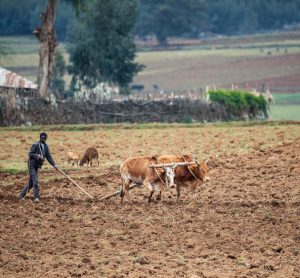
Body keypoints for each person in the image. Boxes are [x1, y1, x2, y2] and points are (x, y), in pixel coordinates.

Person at [18, 132, 58, 203]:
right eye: (42, 137)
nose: (44, 139)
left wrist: (54, 165)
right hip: (32, 164)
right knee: (35, 180)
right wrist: (38, 156)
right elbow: (30, 154)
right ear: (40, 137)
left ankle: (21, 195)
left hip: (37, 165)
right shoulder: (35, 144)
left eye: (45, 138)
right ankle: (36, 197)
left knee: (31, 183)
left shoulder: (46, 147)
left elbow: (49, 157)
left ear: (46, 138)